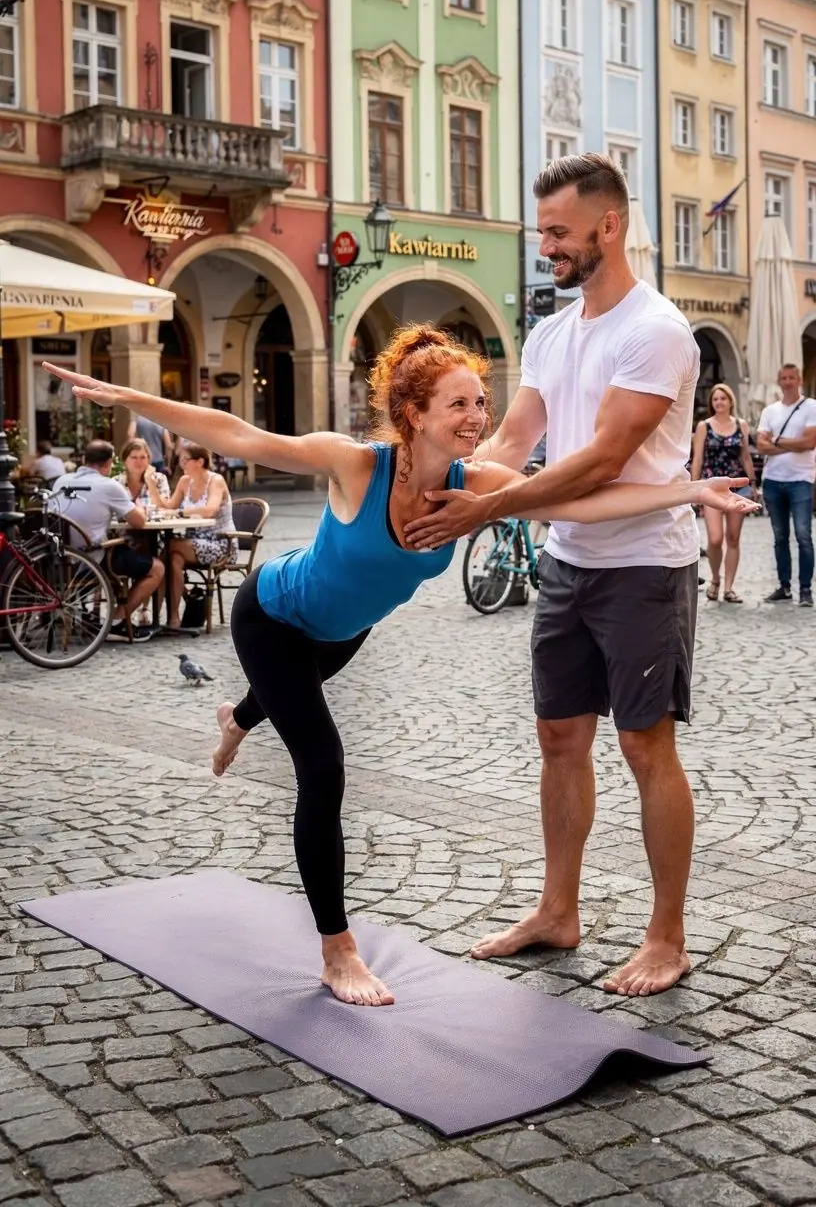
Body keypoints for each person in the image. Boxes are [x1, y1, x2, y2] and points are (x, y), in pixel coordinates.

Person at [42, 333, 752, 1006]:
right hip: (274, 618)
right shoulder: (357, 464)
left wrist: (688, 492)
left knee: (302, 689)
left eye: (481, 402)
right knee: (322, 767)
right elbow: (237, 434)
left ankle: (240, 715)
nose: (478, 418)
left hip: (343, 634)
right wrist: (128, 397)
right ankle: (337, 951)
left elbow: (583, 502)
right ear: (414, 414)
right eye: (459, 404)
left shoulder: (480, 484)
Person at [403, 154, 707, 998]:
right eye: (543, 232)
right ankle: (557, 911)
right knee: (559, 740)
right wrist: (450, 480)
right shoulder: (550, 331)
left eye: (560, 233)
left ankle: (666, 935)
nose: (547, 248)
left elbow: (602, 460)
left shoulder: (656, 331)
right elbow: (513, 440)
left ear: (609, 228)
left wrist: (487, 511)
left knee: (647, 746)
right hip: (568, 565)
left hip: (645, 564)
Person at [50, 440, 164, 643]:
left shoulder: (61, 481)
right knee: (157, 568)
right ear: (109, 463)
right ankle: (117, 621)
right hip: (92, 560)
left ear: (84, 460)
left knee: (126, 553)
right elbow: (139, 522)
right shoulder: (109, 485)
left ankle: (101, 616)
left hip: (59, 560)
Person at [756, 363, 816, 607]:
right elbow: (761, 446)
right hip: (773, 480)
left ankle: (805, 589)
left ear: (799, 380)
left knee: (803, 535)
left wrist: (777, 440)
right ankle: (784, 586)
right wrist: (794, 442)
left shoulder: (811, 406)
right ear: (779, 382)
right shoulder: (770, 411)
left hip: (801, 480)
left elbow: (810, 443)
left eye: (792, 377)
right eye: (784, 378)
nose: (788, 382)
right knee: (780, 537)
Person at [690, 384, 757, 603]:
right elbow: (698, 458)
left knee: (733, 538)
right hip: (712, 487)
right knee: (716, 538)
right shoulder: (704, 426)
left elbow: (745, 456)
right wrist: (693, 488)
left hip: (738, 486)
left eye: (723, 398)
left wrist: (753, 483)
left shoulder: (741, 425)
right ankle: (715, 579)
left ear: (730, 401)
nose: (719, 402)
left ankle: (728, 587)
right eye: (715, 399)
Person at [161, 444, 237, 631]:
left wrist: (181, 513)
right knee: (172, 559)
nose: (181, 464)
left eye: (185, 460)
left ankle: (151, 606)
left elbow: (210, 510)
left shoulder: (215, 481)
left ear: (200, 461)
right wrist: (153, 487)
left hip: (220, 543)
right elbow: (169, 507)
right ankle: (174, 619)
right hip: (190, 542)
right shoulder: (184, 482)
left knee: (165, 551)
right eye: (180, 460)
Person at [117, 437, 172, 510]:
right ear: (125, 461)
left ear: (148, 460)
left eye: (143, 457)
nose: (138, 461)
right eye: (134, 457)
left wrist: (151, 483)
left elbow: (163, 509)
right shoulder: (115, 482)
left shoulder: (160, 479)